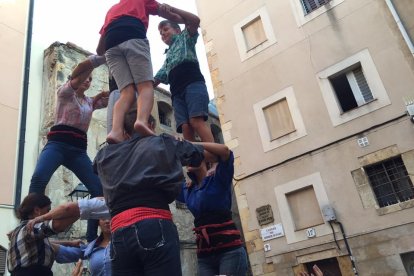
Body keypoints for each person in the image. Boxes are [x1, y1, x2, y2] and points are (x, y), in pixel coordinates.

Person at [93, 108, 205, 275]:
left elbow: (95, 166)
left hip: (119, 232)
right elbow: (196, 155)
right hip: (154, 222)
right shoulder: (162, 142)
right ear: (151, 125)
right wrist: (177, 141)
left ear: (125, 131)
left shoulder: (104, 154)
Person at [28, 55, 108, 242]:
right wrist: (97, 60)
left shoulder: (91, 102)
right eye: (85, 78)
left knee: (98, 188)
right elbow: (78, 77)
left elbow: (115, 97)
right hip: (57, 145)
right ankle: (28, 223)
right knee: (39, 178)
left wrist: (109, 92)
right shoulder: (64, 92)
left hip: (78, 152)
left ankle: (91, 237)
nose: (87, 81)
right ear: (77, 77)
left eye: (90, 80)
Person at [97, 0, 183, 143]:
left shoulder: (112, 10)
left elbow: (100, 50)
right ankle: (142, 121)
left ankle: (116, 131)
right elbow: (170, 14)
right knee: (145, 86)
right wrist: (184, 19)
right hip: (133, 34)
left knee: (126, 92)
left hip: (111, 43)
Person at [176, 142, 248, 276]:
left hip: (229, 252)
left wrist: (191, 144)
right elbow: (167, 179)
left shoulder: (219, 178)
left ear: (206, 161)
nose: (190, 160)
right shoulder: (188, 190)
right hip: (204, 256)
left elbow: (225, 151)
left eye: (194, 156)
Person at [154, 7, 214, 144]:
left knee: (196, 121)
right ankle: (197, 163)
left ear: (177, 30)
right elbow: (157, 78)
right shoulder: (168, 57)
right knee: (185, 127)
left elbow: (194, 20)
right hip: (176, 93)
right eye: (160, 33)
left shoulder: (185, 38)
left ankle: (217, 158)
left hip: (193, 84)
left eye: (165, 29)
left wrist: (171, 11)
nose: (162, 33)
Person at [7, 193, 90, 276]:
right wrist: (80, 210)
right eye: (48, 210)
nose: (50, 213)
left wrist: (70, 243)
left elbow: (46, 243)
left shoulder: (20, 232)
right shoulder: (29, 228)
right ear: (37, 210)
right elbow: (57, 225)